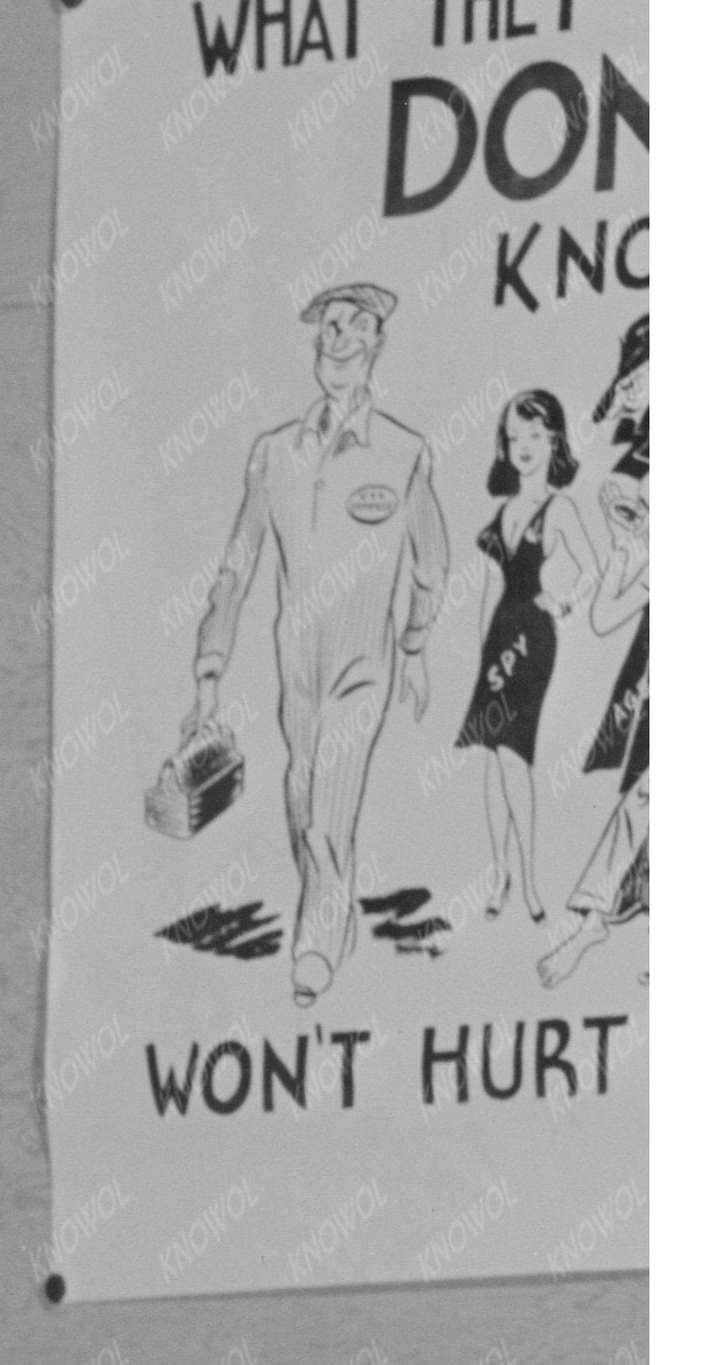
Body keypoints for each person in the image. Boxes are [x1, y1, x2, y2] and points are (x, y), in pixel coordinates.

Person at [176, 275, 449, 1000]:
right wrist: (209, 670)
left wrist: (416, 645)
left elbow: (433, 562)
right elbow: (237, 564)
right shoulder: (274, 454)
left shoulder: (404, 451)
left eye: (354, 326)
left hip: (365, 667)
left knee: (331, 797)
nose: (338, 339)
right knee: (302, 792)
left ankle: (316, 948)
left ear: (377, 345)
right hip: (296, 671)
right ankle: (333, 913)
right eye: (328, 326)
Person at [452, 383, 583, 924]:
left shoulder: (559, 507)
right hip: (499, 638)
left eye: (535, 434)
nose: (524, 445)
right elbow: (488, 589)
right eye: (514, 435)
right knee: (492, 753)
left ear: (554, 441)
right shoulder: (503, 510)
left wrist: (568, 601)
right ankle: (499, 872)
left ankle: (528, 879)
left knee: (513, 755)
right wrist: (481, 653)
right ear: (503, 446)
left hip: (534, 637)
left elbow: (597, 563)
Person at [543, 320, 646, 989]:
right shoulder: (631, 482)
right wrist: (640, 554)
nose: (632, 395)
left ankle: (591, 919)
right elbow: (610, 613)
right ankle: (588, 919)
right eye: (632, 382)